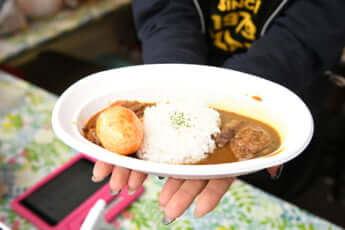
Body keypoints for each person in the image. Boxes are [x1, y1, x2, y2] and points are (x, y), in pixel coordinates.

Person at [92, 0, 345, 225]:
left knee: (276, 205)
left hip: (284, 93)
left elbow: (316, 23)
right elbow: (164, 9)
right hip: (184, 82)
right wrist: (174, 79)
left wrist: (236, 91)